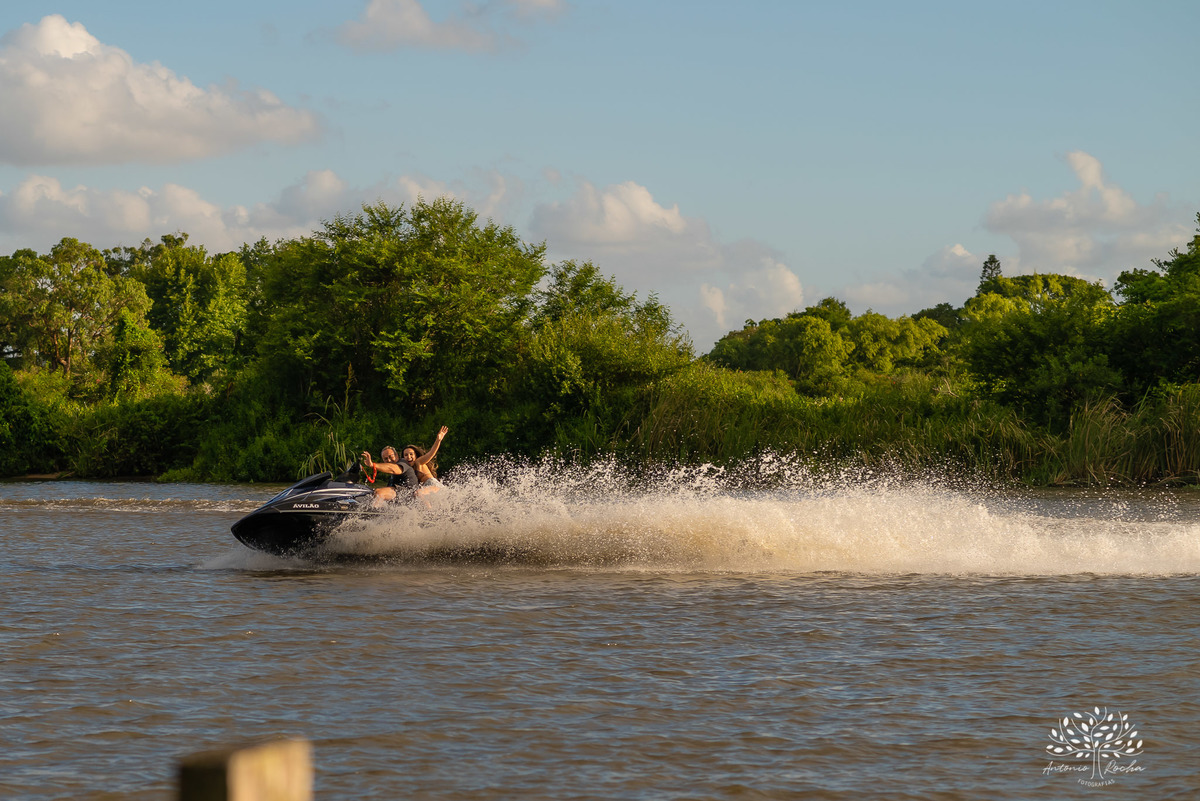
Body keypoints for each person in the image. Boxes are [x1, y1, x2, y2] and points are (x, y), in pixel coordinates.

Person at [403, 426, 449, 500]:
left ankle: (429, 511)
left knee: (418, 493)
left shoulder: (419, 462)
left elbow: (431, 453)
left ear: (415, 455)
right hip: (426, 491)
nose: (409, 457)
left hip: (434, 486)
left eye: (411, 454)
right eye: (406, 455)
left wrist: (438, 440)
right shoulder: (408, 469)